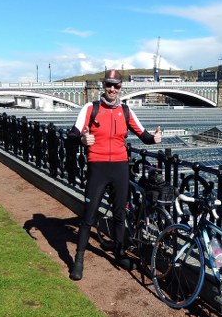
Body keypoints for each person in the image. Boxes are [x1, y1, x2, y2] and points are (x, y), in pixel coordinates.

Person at [69, 69, 162, 281]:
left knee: (120, 214)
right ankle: (78, 260)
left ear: (121, 88)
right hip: (98, 167)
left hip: (120, 166)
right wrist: (82, 141)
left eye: (116, 86)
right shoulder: (91, 108)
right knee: (89, 216)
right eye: (109, 85)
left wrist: (154, 138)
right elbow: (73, 134)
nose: (112, 89)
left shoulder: (126, 111)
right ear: (104, 86)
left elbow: (143, 134)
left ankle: (119, 253)